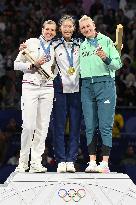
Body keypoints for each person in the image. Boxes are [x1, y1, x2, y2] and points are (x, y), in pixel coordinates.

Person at [79, 15, 122, 173]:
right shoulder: (82, 46)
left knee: (105, 126)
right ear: (81, 30)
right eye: (83, 28)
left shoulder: (106, 41)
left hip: (105, 85)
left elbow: (118, 64)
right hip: (86, 86)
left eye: (88, 26)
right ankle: (91, 162)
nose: (86, 29)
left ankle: (104, 163)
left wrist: (106, 58)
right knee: (89, 126)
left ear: (94, 25)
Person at [14, 20, 57, 173]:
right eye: (47, 29)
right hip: (30, 87)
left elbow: (56, 69)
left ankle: (36, 163)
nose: (49, 32)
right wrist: (32, 65)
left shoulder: (55, 47)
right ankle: (23, 162)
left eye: (52, 30)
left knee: (42, 127)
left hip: (47, 89)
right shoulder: (31, 43)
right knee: (28, 126)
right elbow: (16, 64)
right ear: (42, 29)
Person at [53, 15, 82, 173]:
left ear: (74, 28)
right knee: (59, 126)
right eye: (64, 26)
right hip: (60, 90)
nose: (67, 28)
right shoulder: (54, 44)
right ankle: (60, 160)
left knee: (75, 126)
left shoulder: (80, 44)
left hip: (77, 90)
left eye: (70, 26)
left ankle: (71, 159)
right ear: (60, 28)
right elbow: (40, 46)